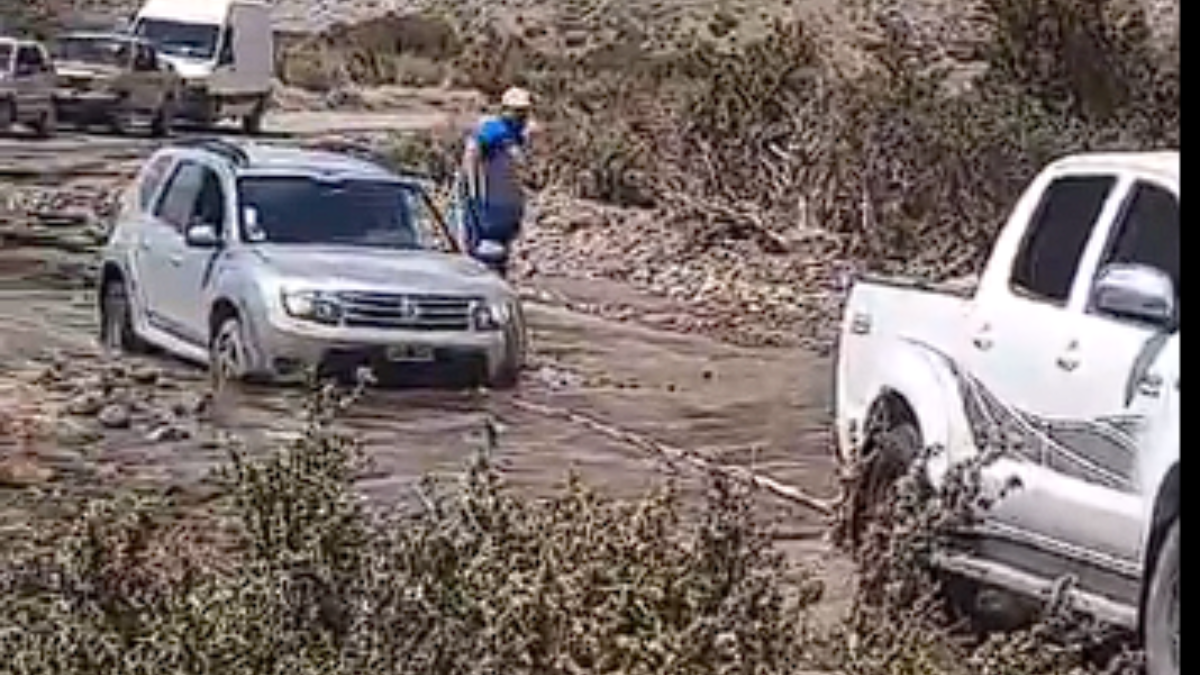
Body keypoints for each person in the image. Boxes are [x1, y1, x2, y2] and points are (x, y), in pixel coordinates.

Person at [456, 86, 533, 269]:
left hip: (505, 205)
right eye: (517, 111)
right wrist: (474, 191)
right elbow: (472, 153)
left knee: (500, 253)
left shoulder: (518, 135)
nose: (521, 116)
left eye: (523, 111)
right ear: (505, 110)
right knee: (481, 253)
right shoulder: (493, 130)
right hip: (487, 204)